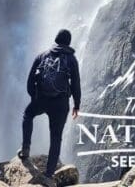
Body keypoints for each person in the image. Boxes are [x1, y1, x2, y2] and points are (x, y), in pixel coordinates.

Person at [19, 28, 81, 182]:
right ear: (68, 43)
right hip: (60, 104)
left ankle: (25, 149)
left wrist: (35, 97)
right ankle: (48, 174)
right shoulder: (71, 59)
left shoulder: (42, 55)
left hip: (41, 99)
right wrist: (76, 105)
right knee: (56, 137)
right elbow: (76, 85)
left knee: (28, 115)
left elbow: (29, 81)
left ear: (56, 39)